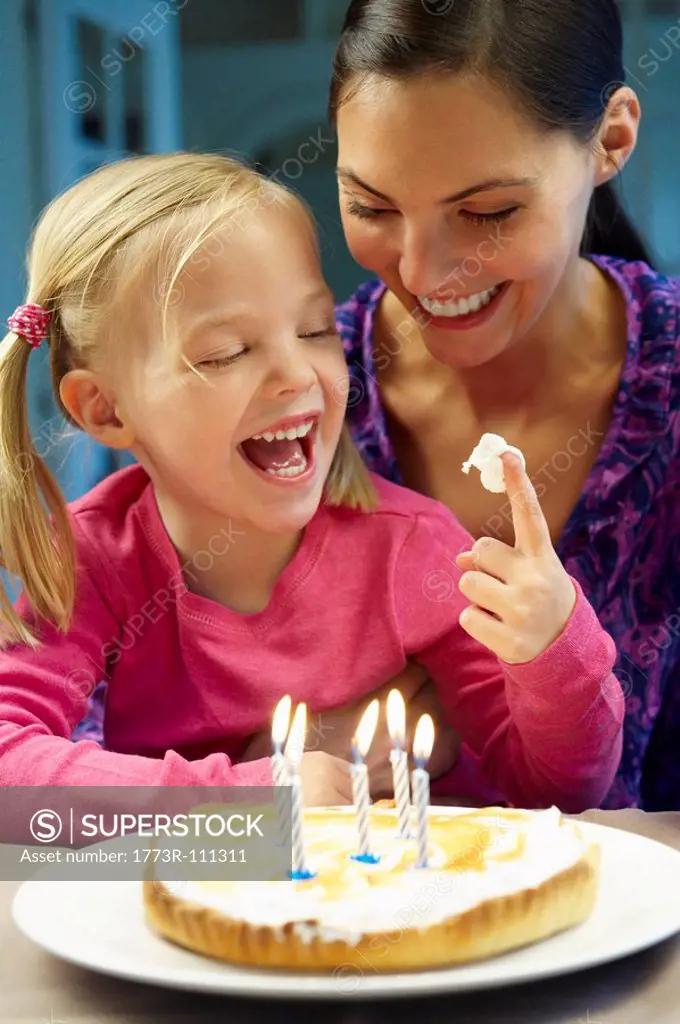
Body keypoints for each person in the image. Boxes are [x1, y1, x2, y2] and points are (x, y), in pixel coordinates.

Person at [0, 152, 623, 812]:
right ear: (105, 408)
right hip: (216, 906)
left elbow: (558, 787)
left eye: (316, 329)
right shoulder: (90, 560)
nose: (297, 374)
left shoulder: (412, 548)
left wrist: (557, 646)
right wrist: (249, 796)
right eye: (226, 352)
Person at [328, 0, 680, 811]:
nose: (421, 271)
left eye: (487, 213)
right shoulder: (289, 406)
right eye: (372, 207)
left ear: (611, 139)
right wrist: (270, 772)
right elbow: (57, 809)